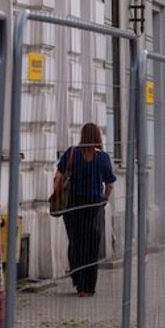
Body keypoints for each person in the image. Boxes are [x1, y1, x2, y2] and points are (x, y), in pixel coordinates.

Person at [52, 122, 116, 297]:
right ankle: (88, 287)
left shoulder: (71, 153)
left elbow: (57, 177)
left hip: (73, 205)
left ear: (82, 136)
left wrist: (58, 193)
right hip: (94, 206)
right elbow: (109, 184)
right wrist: (104, 198)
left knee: (75, 242)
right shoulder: (103, 158)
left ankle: (78, 281)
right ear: (97, 137)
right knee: (91, 245)